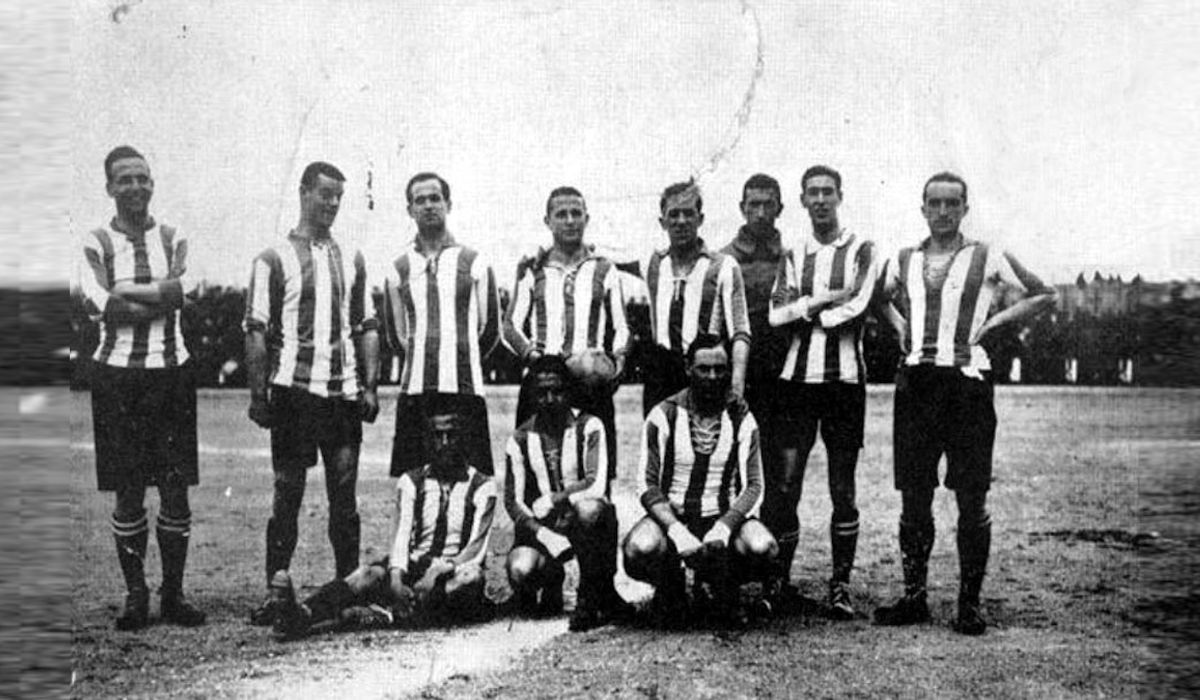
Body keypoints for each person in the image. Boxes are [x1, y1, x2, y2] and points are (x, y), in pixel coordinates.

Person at [873, 172, 1056, 635]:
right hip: (916, 383)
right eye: (934, 203)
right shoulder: (904, 259)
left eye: (951, 203)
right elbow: (877, 299)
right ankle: (914, 597)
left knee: (971, 496)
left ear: (964, 209)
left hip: (967, 384)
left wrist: (996, 324)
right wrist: (899, 326)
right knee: (915, 497)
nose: (942, 211)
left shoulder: (986, 255)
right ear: (922, 208)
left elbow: (1044, 293)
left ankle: (969, 604)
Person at [243, 161, 380, 625]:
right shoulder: (272, 258)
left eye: (339, 196)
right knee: (288, 492)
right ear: (303, 193)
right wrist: (258, 395)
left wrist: (370, 385)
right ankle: (275, 590)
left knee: (344, 492)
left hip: (341, 393)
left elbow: (366, 324)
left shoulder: (352, 257)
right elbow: (256, 330)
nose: (333, 203)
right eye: (325, 194)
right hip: (294, 392)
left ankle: (348, 591)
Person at [77, 145, 206, 630]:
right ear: (109, 187)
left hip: (171, 371)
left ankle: (173, 593)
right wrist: (159, 297)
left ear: (152, 183)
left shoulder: (174, 237)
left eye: (142, 178)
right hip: (117, 376)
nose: (135, 187)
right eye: (125, 179)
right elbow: (102, 304)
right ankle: (136, 594)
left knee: (175, 489)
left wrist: (125, 290)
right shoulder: (95, 241)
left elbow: (187, 290)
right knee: (128, 490)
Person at [272, 405, 497, 640]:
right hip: (416, 567)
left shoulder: (483, 486)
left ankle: (385, 616)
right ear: (427, 440)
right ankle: (301, 614)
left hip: (453, 571)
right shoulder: (411, 481)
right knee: (366, 574)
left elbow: (476, 549)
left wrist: (438, 572)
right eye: (437, 436)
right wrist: (397, 579)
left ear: (464, 439)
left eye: (452, 436)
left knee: (471, 579)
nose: (444, 443)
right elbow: (401, 536)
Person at [767, 165, 880, 618]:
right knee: (787, 484)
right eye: (811, 193)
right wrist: (820, 301)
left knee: (842, 487)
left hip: (843, 384)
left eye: (827, 192)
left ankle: (840, 585)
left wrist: (810, 312)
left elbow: (859, 304)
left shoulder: (861, 248)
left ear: (839, 196)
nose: (819, 200)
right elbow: (776, 314)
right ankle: (780, 582)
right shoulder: (794, 251)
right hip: (797, 382)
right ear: (802, 200)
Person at [622, 334, 777, 628]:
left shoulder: (742, 417)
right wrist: (677, 532)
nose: (712, 377)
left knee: (763, 547)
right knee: (639, 548)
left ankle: (723, 584)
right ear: (688, 368)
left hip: (721, 520)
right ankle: (671, 583)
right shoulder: (664, 414)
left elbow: (755, 486)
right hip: (675, 517)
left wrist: (724, 527)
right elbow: (646, 484)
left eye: (720, 369)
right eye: (704, 369)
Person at [379, 172, 501, 478]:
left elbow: (489, 331)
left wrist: (460, 359)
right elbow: (396, 336)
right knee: (414, 483)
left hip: (465, 389)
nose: (429, 205)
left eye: (435, 198)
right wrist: (424, 357)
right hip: (416, 391)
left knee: (470, 483)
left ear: (448, 204)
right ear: (410, 209)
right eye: (420, 200)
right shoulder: (398, 268)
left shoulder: (474, 261)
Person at [503, 186, 629, 480]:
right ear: (547, 221)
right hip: (544, 381)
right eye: (561, 214)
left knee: (595, 474)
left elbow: (622, 326)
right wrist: (535, 358)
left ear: (587, 218)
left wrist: (618, 362)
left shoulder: (604, 269)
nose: (570, 221)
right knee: (536, 469)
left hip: (589, 382)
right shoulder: (533, 270)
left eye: (576, 213)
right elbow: (510, 325)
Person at [500, 355, 631, 631]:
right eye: (542, 393)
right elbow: (513, 501)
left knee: (591, 509)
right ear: (532, 396)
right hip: (546, 530)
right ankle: (552, 578)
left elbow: (595, 483)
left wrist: (555, 500)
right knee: (521, 569)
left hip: (580, 521)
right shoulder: (520, 438)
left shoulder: (590, 426)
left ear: (569, 391)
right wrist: (544, 534)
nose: (550, 399)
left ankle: (592, 594)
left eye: (557, 391)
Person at [720, 173, 792, 607]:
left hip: (784, 384)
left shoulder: (792, 258)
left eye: (768, 204)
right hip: (736, 383)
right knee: (727, 473)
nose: (761, 212)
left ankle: (775, 580)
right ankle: (723, 573)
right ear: (742, 208)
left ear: (780, 208)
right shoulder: (724, 259)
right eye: (753, 204)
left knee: (779, 480)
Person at [639, 180, 751, 416]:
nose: (681, 221)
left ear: (700, 219)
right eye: (674, 214)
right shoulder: (653, 263)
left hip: (706, 375)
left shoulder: (723, 266)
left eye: (688, 213)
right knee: (659, 436)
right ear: (662, 222)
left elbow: (740, 332)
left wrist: (737, 387)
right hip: (661, 378)